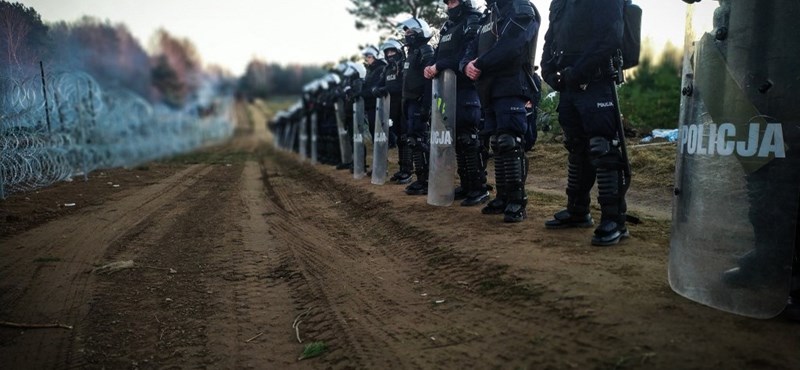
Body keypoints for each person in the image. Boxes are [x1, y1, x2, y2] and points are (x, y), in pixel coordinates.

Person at [540, 0, 629, 245]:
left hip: (596, 81)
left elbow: (611, 36)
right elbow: (550, 37)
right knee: (576, 147)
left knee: (603, 148)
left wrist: (579, 71)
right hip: (568, 85)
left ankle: (615, 220)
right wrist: (547, 71)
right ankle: (578, 211)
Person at [461, 0, 540, 222]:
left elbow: (512, 44)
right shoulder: (489, 16)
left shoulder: (521, 7)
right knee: (496, 142)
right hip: (488, 89)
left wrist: (480, 63)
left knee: (509, 141)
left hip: (512, 85)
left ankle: (517, 201)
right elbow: (472, 47)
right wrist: (466, 65)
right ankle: (503, 196)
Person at [424, 0, 488, 207]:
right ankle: (467, 185)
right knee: (458, 141)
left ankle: (478, 188)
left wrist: (439, 65)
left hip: (467, 90)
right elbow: (438, 54)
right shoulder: (447, 28)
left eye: (454, 1)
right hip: (446, 91)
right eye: (448, 2)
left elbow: (469, 53)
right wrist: (430, 66)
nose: (450, 6)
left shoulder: (474, 20)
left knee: (468, 138)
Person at [397, 17, 435, 195]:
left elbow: (429, 81)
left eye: (410, 33)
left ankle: (426, 181)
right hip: (409, 102)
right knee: (413, 140)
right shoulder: (411, 53)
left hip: (420, 101)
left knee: (420, 140)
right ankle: (420, 179)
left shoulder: (425, 51)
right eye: (406, 33)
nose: (407, 36)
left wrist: (426, 106)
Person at [373, 39, 411, 184]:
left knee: (405, 138)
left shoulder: (403, 65)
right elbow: (380, 84)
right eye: (387, 52)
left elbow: (403, 84)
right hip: (391, 107)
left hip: (404, 105)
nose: (390, 54)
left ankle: (407, 171)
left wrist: (385, 89)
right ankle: (402, 169)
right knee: (399, 138)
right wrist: (376, 89)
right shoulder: (387, 69)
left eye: (392, 51)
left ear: (399, 51)